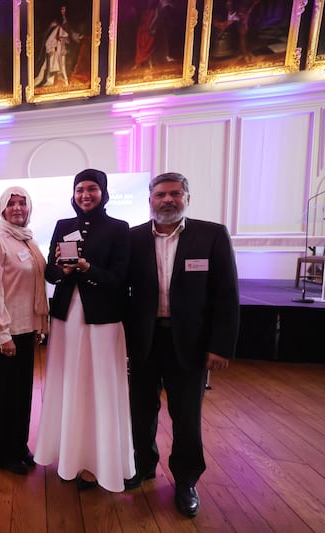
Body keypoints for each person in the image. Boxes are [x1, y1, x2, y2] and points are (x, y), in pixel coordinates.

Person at [124, 172, 239, 518]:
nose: (168, 200)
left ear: (187, 198)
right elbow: (120, 291)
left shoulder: (211, 235)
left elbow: (227, 296)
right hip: (144, 341)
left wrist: (221, 346)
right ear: (150, 200)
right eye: (161, 194)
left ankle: (186, 481)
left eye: (175, 193)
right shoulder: (132, 239)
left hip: (189, 343)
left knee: (186, 417)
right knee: (140, 411)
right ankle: (143, 465)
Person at [33, 169, 135, 491]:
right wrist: (62, 271)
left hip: (103, 320)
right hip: (65, 319)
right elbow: (50, 272)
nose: (85, 195)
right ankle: (67, 454)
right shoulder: (64, 226)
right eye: (79, 190)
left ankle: (96, 461)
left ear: (103, 192)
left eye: (92, 189)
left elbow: (121, 279)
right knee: (69, 382)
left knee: (98, 385)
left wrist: (89, 270)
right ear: (73, 193)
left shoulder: (119, 229)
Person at [0, 186, 49, 475]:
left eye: (22, 203)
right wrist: (2, 334)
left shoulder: (28, 241)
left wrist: (39, 323)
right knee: (2, 394)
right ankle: (1, 453)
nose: (17, 208)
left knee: (21, 393)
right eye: (11, 204)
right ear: (2, 209)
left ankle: (18, 446)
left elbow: (36, 286)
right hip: (1, 333)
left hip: (25, 328)